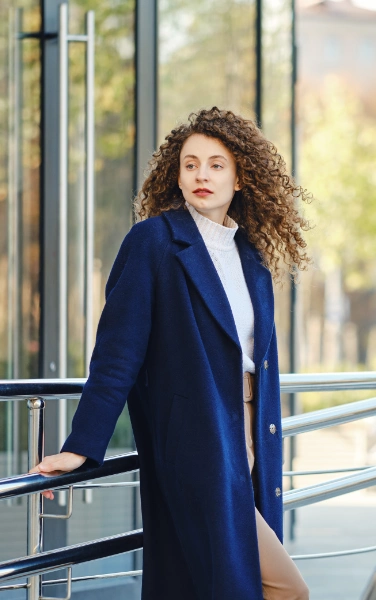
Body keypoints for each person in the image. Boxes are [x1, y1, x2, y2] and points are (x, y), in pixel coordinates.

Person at [30, 107, 311, 599]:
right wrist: (81, 445)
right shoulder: (154, 243)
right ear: (176, 175)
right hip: (198, 441)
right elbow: (117, 354)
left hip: (251, 436)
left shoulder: (252, 261)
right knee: (282, 588)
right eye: (190, 164)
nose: (202, 174)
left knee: (217, 582)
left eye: (217, 164)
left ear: (241, 177)